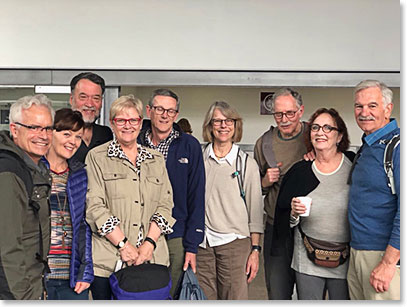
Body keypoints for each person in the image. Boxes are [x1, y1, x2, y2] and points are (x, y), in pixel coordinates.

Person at [85, 94, 176, 299]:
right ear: (112, 123)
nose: (128, 126)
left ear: (140, 122)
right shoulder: (97, 157)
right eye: (121, 120)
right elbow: (95, 207)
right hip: (109, 261)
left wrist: (149, 245)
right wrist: (124, 245)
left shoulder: (156, 159)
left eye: (133, 120)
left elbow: (165, 203)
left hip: (152, 260)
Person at [277, 108, 354, 300]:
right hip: (307, 258)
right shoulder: (300, 171)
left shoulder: (354, 166)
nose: (320, 132)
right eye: (315, 128)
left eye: (328, 128)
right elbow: (283, 218)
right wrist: (294, 213)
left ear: (339, 136)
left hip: (345, 260)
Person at [138, 89, 205, 297]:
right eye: (159, 109)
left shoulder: (189, 146)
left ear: (176, 114)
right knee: (143, 291)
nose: (164, 115)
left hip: (176, 233)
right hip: (140, 230)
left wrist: (192, 245)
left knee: (173, 293)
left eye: (170, 110)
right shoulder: (136, 142)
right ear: (149, 111)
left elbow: (197, 195)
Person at [196, 101, 263, 300]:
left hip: (234, 243)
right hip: (203, 244)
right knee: (203, 298)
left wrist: (255, 250)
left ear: (236, 125)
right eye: (217, 121)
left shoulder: (246, 164)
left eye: (228, 121)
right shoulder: (199, 159)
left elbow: (256, 212)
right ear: (209, 126)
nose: (223, 126)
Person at [347, 80, 400, 300]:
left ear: (388, 108)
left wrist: (388, 263)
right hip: (357, 252)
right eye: (359, 106)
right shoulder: (368, 146)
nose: (364, 112)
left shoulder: (397, 148)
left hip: (383, 257)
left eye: (372, 106)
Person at [253, 87, 308, 299]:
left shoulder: (316, 135)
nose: (284, 119)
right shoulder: (264, 143)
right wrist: (265, 181)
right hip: (276, 226)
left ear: (301, 110)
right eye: (278, 114)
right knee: (277, 291)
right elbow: (250, 187)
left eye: (290, 113)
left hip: (309, 229)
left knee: (310, 292)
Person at [0, 94, 54, 299]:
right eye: (34, 128)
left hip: (32, 285)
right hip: (17, 293)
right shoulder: (9, 173)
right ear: (15, 129)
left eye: (48, 128)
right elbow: (6, 249)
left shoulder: (32, 166)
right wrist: (22, 299)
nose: (43, 135)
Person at [43, 108, 93, 299]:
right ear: (50, 133)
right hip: (38, 276)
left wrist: (86, 271)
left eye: (78, 137)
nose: (73, 142)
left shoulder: (80, 174)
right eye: (66, 134)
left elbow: (84, 226)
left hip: (71, 278)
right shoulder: (34, 171)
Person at [69, 72, 113, 163]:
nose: (89, 104)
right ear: (71, 99)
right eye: (83, 97)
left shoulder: (105, 134)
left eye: (96, 98)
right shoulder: (57, 133)